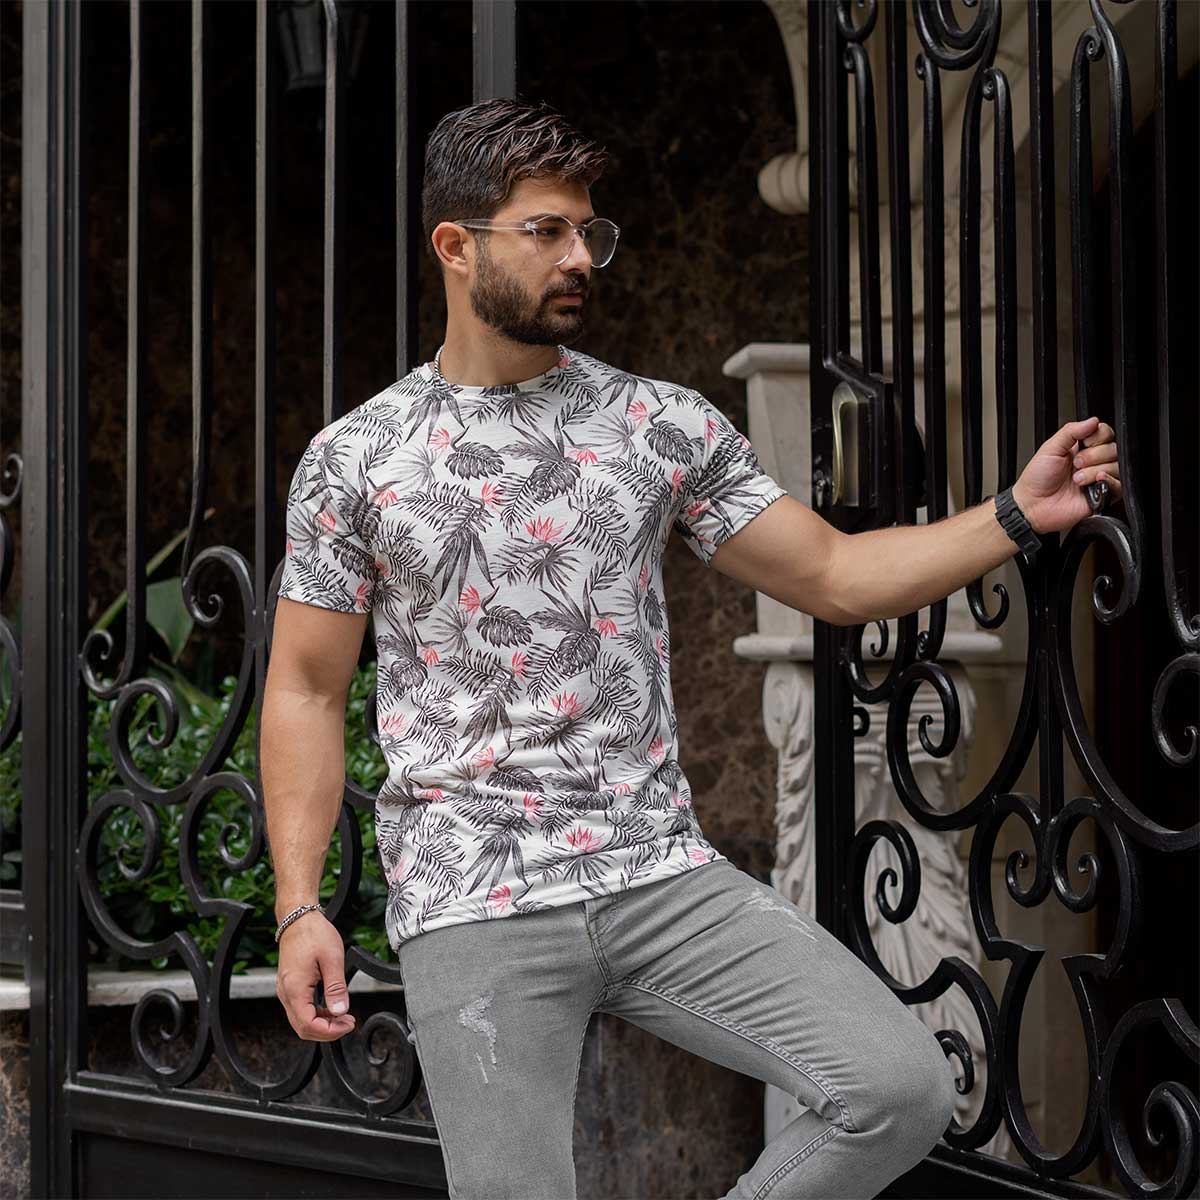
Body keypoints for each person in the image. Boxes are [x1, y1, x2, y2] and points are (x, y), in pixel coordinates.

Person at [261, 97, 1122, 1200]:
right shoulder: (356, 458)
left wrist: (1014, 512)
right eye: (546, 231)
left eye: (589, 231)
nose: (581, 256)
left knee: (898, 1086)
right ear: (455, 246)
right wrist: (300, 908)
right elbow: (306, 687)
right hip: (473, 895)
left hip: (659, 875)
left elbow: (833, 574)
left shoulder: (657, 424)